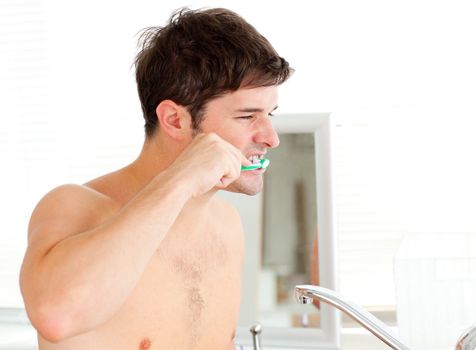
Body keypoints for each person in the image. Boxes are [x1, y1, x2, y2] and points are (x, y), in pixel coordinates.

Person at [19, 7, 292, 350]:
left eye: (270, 115)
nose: (271, 138)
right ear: (175, 120)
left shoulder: (226, 224)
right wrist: (183, 179)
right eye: (247, 116)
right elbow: (56, 316)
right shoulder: (75, 207)